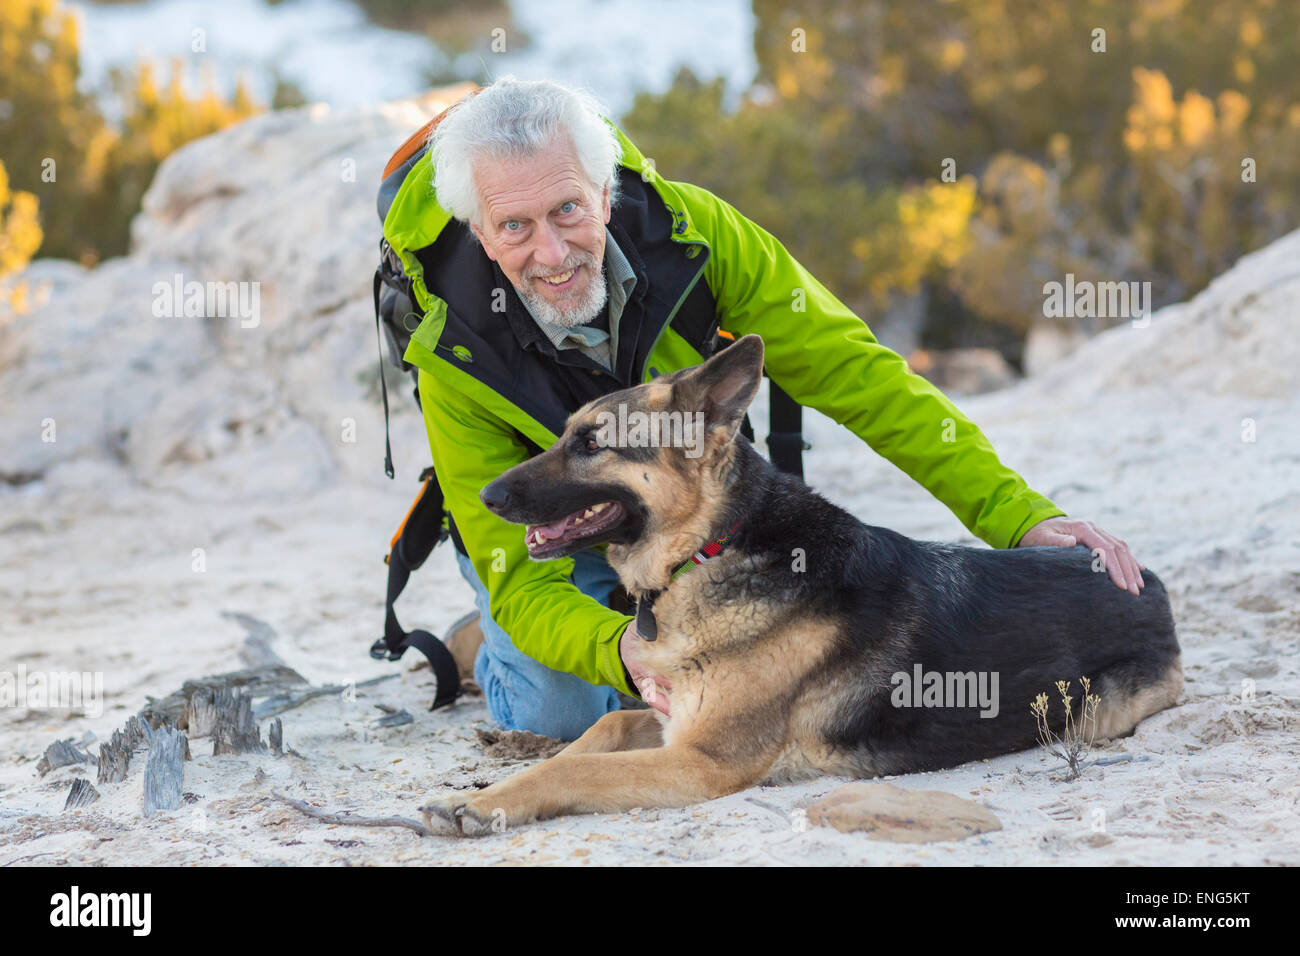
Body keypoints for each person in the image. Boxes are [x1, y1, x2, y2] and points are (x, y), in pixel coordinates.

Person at [385, 76, 1145, 741]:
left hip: (698, 517)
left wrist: (1018, 517)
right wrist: (617, 649)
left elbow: (863, 379)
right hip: (554, 536)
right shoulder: (448, 345)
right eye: (515, 227)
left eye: (568, 210)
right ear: (481, 235)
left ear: (606, 193)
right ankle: (487, 648)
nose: (551, 254)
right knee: (565, 714)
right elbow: (519, 574)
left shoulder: (700, 239)